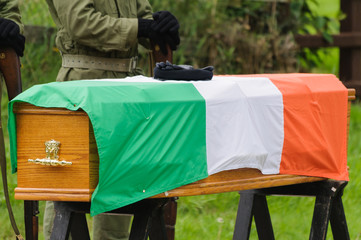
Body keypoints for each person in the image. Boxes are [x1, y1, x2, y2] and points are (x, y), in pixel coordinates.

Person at [43, 0, 180, 239]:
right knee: (68, 183)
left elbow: (143, 18)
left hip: (126, 90)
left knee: (120, 184)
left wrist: (161, 26)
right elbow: (79, 22)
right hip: (83, 86)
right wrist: (140, 28)